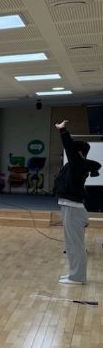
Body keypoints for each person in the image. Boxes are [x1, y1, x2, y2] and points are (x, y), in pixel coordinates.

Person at [54, 119, 101, 285]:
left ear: (79, 152)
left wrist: (63, 130)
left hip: (73, 209)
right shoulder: (76, 165)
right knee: (71, 245)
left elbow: (69, 147)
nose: (70, 152)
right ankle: (74, 274)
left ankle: (77, 277)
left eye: (74, 150)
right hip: (70, 207)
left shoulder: (78, 164)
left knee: (75, 245)